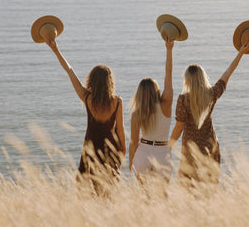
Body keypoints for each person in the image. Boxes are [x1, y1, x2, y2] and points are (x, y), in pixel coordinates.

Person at [45, 39, 126, 189]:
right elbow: (120, 130)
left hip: (90, 152)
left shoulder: (87, 99)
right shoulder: (117, 102)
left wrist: (56, 50)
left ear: (92, 81)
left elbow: (70, 71)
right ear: (110, 82)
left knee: (86, 191)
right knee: (109, 192)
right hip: (111, 152)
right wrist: (123, 150)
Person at [169, 41, 249, 183]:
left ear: (187, 81)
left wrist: (167, 146)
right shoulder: (211, 94)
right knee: (210, 187)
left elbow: (179, 127)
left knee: (187, 187)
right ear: (202, 79)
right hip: (210, 147)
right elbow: (227, 73)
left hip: (190, 150)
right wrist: (240, 53)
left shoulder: (183, 100)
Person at [129, 38, 174, 180]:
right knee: (162, 197)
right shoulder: (166, 105)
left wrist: (132, 162)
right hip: (162, 152)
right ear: (156, 91)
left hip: (143, 152)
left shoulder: (137, 114)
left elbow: (133, 142)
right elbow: (169, 75)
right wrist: (169, 50)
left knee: (144, 197)